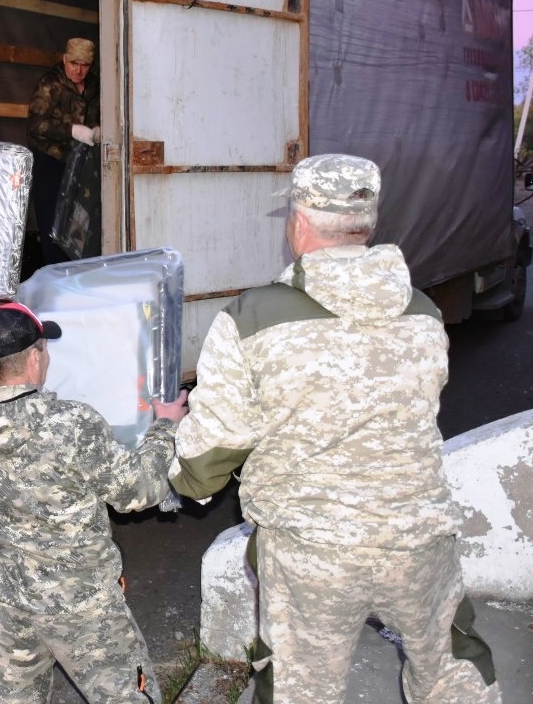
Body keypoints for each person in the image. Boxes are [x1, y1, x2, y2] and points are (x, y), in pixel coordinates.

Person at [171, 154, 500, 704]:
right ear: (366, 224)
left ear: (299, 224)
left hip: (311, 559)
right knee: (451, 673)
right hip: (419, 544)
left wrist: (175, 453)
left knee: (301, 691)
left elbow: (204, 466)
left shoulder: (250, 319)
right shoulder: (423, 313)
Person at [0, 302, 187, 702]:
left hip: (12, 602)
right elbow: (138, 491)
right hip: (82, 605)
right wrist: (164, 428)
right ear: (36, 358)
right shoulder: (73, 423)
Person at [26, 38, 100, 264]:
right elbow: (34, 125)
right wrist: (71, 130)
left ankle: (78, 275)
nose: (79, 70)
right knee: (52, 225)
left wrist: (98, 127)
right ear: (65, 59)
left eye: (85, 65)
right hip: (50, 161)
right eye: (74, 63)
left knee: (80, 223)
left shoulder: (95, 85)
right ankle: (56, 278)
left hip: (80, 164)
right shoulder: (50, 84)